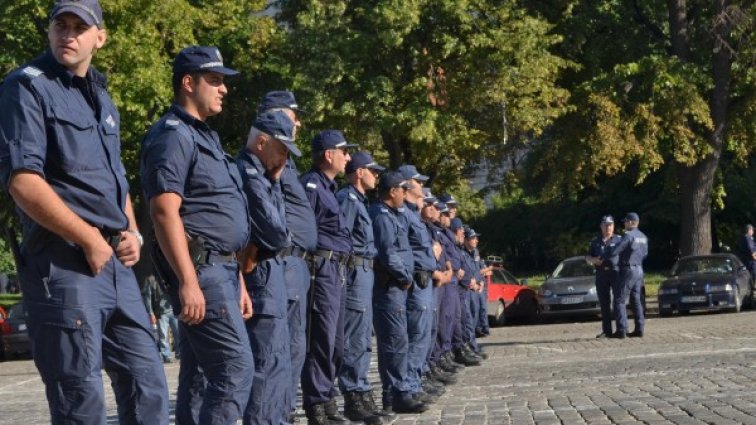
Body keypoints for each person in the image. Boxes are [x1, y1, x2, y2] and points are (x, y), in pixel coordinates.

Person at [0, 1, 170, 423]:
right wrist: (90, 238)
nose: (69, 34)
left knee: (149, 385)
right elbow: (23, 182)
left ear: (100, 36)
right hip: (65, 263)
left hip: (114, 264)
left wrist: (132, 232)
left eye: (80, 26)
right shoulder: (27, 86)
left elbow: (116, 182)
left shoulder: (101, 96)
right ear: (50, 30)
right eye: (61, 25)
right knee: (81, 400)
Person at [141, 45, 254, 424]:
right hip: (201, 274)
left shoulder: (204, 137)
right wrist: (188, 281)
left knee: (201, 376)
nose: (224, 89)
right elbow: (163, 211)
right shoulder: (173, 136)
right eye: (215, 81)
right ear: (188, 83)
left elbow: (217, 219)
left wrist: (237, 278)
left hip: (219, 272)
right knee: (235, 369)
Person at [236, 111, 300, 425]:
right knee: (265, 365)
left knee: (279, 363)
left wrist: (274, 181)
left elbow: (282, 226)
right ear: (262, 141)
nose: (285, 158)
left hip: (271, 275)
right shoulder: (248, 175)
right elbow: (277, 232)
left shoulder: (266, 178)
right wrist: (272, 183)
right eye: (282, 149)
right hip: (259, 278)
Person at [256, 90, 314, 422]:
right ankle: (275, 412)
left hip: (296, 265)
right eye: (293, 116)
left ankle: (284, 410)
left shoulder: (287, 162)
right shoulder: (264, 159)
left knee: (294, 348)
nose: (298, 123)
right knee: (276, 352)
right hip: (281, 262)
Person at [300, 130, 355, 425]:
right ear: (328, 154)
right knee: (321, 338)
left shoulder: (329, 188)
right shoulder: (310, 185)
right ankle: (317, 403)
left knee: (336, 342)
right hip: (322, 270)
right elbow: (303, 229)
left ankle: (327, 395)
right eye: (343, 152)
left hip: (338, 270)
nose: (348, 158)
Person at [370, 172, 427, 414]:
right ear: (392, 191)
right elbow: (387, 253)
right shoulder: (382, 216)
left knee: (398, 341)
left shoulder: (393, 215)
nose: (406, 194)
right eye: (403, 190)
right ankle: (398, 393)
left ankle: (394, 393)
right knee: (395, 342)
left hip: (397, 287)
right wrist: (405, 277)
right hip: (391, 286)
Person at [336, 152, 386, 424]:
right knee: (355, 336)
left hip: (365, 270)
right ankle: (354, 395)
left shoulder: (360, 201)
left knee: (363, 335)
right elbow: (339, 235)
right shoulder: (347, 199)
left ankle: (362, 388)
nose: (376, 176)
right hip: (355, 271)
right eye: (372, 171)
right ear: (358, 173)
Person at [397, 164, 443, 404]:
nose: (422, 187)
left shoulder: (413, 214)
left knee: (423, 334)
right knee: (415, 335)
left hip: (425, 280)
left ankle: (415, 382)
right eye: (419, 182)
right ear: (407, 185)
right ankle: (410, 385)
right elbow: (402, 248)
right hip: (416, 281)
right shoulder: (403, 213)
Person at [604, 212, 648, 339]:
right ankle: (639, 328)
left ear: (630, 222)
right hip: (639, 269)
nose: (624, 224)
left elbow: (617, 249)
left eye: (625, 222)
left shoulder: (629, 236)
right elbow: (645, 254)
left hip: (628, 269)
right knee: (636, 300)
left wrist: (606, 255)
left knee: (619, 299)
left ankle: (622, 329)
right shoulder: (643, 236)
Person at [586, 215, 621, 338]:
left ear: (613, 226)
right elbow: (587, 257)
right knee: (604, 304)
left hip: (616, 273)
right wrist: (593, 260)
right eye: (605, 225)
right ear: (601, 226)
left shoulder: (619, 240)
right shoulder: (595, 241)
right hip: (601, 274)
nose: (608, 227)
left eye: (610, 225)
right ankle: (607, 331)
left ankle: (621, 329)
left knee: (618, 302)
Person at [142, 274, 180, 363]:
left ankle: (180, 354)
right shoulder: (150, 279)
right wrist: (151, 313)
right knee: (163, 336)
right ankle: (166, 356)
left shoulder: (169, 276)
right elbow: (147, 298)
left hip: (174, 309)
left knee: (178, 334)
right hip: (161, 313)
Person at [737, 224, 756, 291]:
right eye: (752, 230)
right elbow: (752, 251)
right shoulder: (747, 238)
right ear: (749, 230)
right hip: (750, 262)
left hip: (745, 261)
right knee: (752, 276)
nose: (753, 232)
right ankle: (752, 291)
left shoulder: (741, 238)